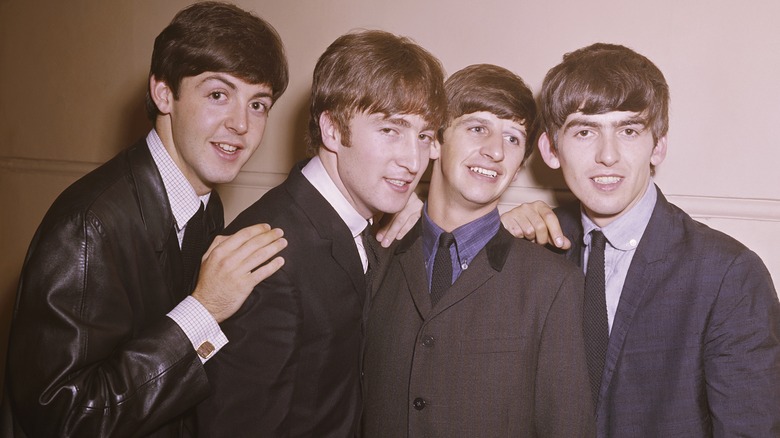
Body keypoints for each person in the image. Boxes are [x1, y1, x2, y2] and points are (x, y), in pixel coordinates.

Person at [1, 3, 290, 436]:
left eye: (259, 104)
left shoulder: (206, 205)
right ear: (162, 93)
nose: (241, 124)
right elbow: (59, 418)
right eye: (218, 95)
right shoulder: (87, 226)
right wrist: (203, 309)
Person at [506, 42, 780, 436]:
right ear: (550, 149)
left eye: (629, 130)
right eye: (585, 132)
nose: (608, 155)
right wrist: (490, 245)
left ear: (659, 146)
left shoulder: (728, 275)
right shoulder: (531, 249)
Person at [195, 30, 447, 437]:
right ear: (331, 130)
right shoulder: (269, 255)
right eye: (390, 130)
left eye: (423, 135)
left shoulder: (364, 221)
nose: (413, 160)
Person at [361, 64, 595, 437]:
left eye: (513, 138)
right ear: (436, 140)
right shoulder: (378, 254)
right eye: (477, 128)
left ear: (519, 168)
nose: (495, 151)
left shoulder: (552, 284)